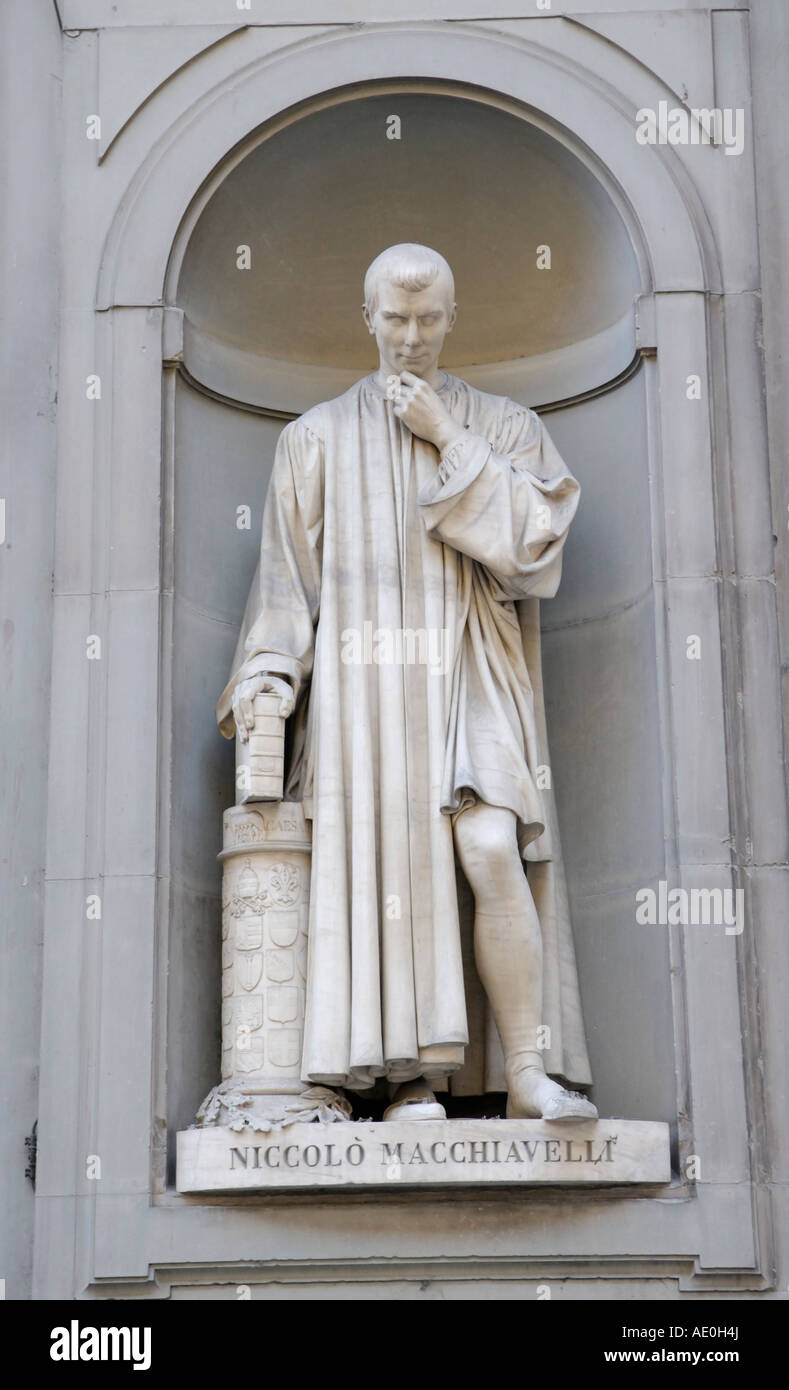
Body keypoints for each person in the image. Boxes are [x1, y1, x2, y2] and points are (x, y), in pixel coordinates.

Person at [217, 244, 596, 1122]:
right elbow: (285, 593)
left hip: (470, 666)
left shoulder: (502, 426)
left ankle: (529, 1072)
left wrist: (445, 436)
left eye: (428, 321)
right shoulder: (312, 440)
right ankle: (407, 1079)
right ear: (367, 319)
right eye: (395, 319)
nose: (411, 338)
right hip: (365, 694)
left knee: (492, 847)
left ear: (451, 321)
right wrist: (267, 676)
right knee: (397, 873)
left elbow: (535, 549)